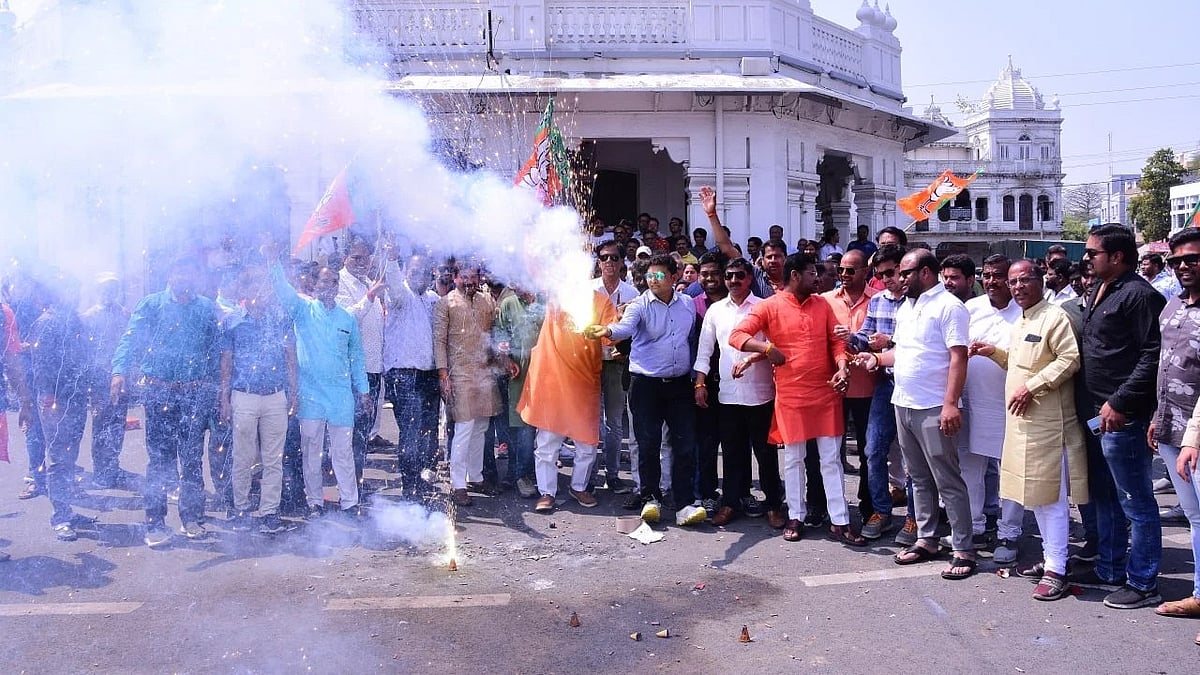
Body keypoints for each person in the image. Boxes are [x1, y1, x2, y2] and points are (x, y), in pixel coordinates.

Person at [971, 259, 1088, 600]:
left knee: (1050, 499)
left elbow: (1070, 359)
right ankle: (1054, 558)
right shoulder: (1023, 320)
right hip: (1023, 425)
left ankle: (1056, 569)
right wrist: (993, 352)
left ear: (1040, 280)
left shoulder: (1055, 316)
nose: (1018, 287)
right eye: (1013, 282)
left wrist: (1032, 387)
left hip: (1050, 426)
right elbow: (1018, 363)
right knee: (1032, 497)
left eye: (1024, 280)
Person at [728, 253, 864, 546]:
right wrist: (765, 350)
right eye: (812, 273)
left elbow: (836, 343)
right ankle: (796, 516)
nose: (817, 278)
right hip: (791, 396)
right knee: (794, 460)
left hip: (826, 392)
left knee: (831, 460)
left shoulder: (823, 304)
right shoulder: (769, 306)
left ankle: (840, 521)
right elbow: (737, 336)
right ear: (794, 276)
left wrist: (842, 366)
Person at [864, 250, 975, 579]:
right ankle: (927, 539)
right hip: (904, 402)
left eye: (906, 273)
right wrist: (876, 360)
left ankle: (964, 548)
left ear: (927, 273)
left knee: (947, 479)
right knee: (919, 477)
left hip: (933, 406)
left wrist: (951, 403)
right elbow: (903, 351)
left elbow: (959, 357)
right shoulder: (908, 307)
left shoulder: (949, 307)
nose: (899, 279)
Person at [1076, 224, 1166, 609]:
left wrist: (1121, 402)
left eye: (1092, 253)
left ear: (1116, 256)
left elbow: (1152, 356)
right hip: (1096, 413)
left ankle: (1144, 582)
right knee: (1104, 497)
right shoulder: (1100, 289)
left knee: (1136, 502)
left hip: (1123, 417)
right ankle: (1110, 568)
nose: (1086, 259)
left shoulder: (1140, 296)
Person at [584, 254, 701, 526]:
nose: (653, 281)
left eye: (659, 276)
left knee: (684, 444)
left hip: (679, 384)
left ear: (674, 277)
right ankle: (650, 498)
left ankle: (684, 504)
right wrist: (607, 330)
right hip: (645, 385)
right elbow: (624, 327)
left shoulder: (686, 305)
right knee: (647, 443)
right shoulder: (639, 305)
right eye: (649, 276)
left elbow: (689, 340)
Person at [112, 258, 220, 547]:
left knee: (192, 459)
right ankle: (155, 524)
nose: (184, 276)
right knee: (160, 460)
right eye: (178, 270)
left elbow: (216, 350)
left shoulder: (206, 308)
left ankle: (192, 519)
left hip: (195, 393)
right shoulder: (151, 304)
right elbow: (130, 338)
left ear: (195, 274)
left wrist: (218, 390)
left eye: (189, 270)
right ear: (170, 274)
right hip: (159, 392)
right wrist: (119, 371)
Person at [269, 253, 370, 520]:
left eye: (334, 282)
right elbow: (282, 289)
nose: (330, 286)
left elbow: (357, 357)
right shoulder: (302, 310)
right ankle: (315, 501)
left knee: (343, 452)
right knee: (312, 452)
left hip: (340, 397)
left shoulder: (346, 318)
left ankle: (350, 502)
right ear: (315, 285)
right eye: (324, 281)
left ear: (338, 287)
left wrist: (364, 390)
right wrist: (273, 261)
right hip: (310, 395)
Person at [694, 257, 783, 528]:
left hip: (760, 393)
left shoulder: (763, 307)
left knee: (765, 454)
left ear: (749, 279)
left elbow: (774, 346)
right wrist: (700, 384)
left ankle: (774, 505)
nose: (734, 281)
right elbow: (705, 351)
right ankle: (731, 502)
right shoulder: (716, 310)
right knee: (732, 452)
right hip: (728, 394)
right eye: (730, 276)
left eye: (739, 276)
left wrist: (750, 359)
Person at [519, 289, 617, 513]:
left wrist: (616, 328)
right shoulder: (555, 298)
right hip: (553, 382)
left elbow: (611, 335)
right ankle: (547, 492)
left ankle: (579, 487)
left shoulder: (600, 301)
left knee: (587, 443)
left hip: (584, 382)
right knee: (547, 442)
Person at [219, 266, 295, 534]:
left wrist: (293, 392)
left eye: (264, 286)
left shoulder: (280, 318)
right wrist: (224, 398)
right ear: (244, 291)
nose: (260, 292)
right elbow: (226, 361)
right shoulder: (233, 321)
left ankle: (269, 512)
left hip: (275, 395)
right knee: (243, 457)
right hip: (244, 396)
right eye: (254, 286)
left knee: (273, 459)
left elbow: (290, 357)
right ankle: (241, 509)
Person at [1148, 227, 1200, 620]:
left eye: (1192, 259)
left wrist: (1193, 440)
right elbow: (1165, 369)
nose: (1183, 266)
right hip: (1171, 429)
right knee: (1196, 518)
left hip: (1196, 438)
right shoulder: (1173, 306)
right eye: (1176, 261)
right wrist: (1157, 418)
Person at [957, 255, 1023, 560]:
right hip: (971, 402)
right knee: (969, 469)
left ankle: (1009, 533)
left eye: (999, 276)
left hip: (1009, 405)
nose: (993, 281)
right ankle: (975, 526)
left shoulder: (1024, 313)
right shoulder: (971, 309)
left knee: (1009, 471)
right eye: (988, 275)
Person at [29, 272, 96, 542]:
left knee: (69, 456)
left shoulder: (76, 320)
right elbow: (40, 364)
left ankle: (67, 508)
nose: (76, 295)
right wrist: (47, 399)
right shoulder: (46, 323)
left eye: (77, 290)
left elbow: (86, 359)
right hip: (54, 400)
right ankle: (61, 517)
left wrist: (91, 392)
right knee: (58, 458)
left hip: (75, 397)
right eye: (71, 290)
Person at [849, 244, 907, 540]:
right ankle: (882, 511)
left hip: (913, 383)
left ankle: (915, 518)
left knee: (914, 457)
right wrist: (850, 341)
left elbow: (920, 343)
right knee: (872, 450)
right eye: (881, 275)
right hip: (884, 382)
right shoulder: (878, 301)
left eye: (891, 273)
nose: (886, 280)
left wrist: (889, 340)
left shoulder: (918, 302)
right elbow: (865, 336)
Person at [435, 265, 501, 507]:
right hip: (459, 373)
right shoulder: (446, 303)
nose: (469, 281)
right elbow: (439, 341)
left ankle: (476, 476)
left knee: (482, 427)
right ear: (455, 278)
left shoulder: (486, 301)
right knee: (464, 429)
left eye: (473, 277)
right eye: (464, 277)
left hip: (484, 372)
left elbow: (495, 331)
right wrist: (444, 375)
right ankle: (457, 484)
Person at [823, 249, 877, 521]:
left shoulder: (877, 301)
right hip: (834, 387)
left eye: (850, 270)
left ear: (865, 272)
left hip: (869, 388)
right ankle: (832, 507)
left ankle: (869, 505)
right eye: (841, 270)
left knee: (870, 451)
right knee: (830, 452)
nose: (844, 275)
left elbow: (884, 338)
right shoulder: (825, 301)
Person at [382, 254, 442, 495]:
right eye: (415, 271)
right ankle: (410, 487)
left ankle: (423, 478)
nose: (420, 276)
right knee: (410, 431)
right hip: (403, 376)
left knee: (428, 429)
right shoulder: (399, 295)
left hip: (429, 375)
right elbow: (394, 285)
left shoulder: (433, 299)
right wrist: (392, 258)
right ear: (406, 271)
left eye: (425, 272)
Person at [336, 236, 387, 491]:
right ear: (345, 257)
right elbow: (347, 319)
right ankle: (349, 486)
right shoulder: (340, 282)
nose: (362, 263)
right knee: (352, 431)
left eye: (365, 258)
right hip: (355, 370)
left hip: (374, 369)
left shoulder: (369, 282)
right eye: (356, 257)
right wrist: (369, 297)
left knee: (364, 429)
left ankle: (357, 479)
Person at [592, 241, 639, 494]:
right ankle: (588, 476)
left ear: (622, 262)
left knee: (614, 423)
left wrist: (626, 351)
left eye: (614, 258)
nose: (609, 262)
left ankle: (612, 474)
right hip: (588, 363)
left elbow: (637, 331)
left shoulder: (632, 294)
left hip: (617, 364)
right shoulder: (588, 290)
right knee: (590, 421)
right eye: (604, 257)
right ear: (598, 262)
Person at [81, 274, 131, 488]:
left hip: (120, 379)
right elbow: (84, 352)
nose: (109, 291)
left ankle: (113, 465)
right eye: (105, 288)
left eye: (113, 287)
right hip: (99, 381)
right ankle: (101, 470)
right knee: (100, 425)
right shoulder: (88, 317)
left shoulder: (124, 314)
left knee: (117, 425)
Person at [495, 287, 544, 499]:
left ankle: (529, 473)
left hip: (545, 374)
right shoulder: (508, 303)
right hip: (519, 375)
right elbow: (500, 333)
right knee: (521, 427)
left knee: (541, 429)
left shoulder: (545, 300)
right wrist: (506, 359)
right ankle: (520, 475)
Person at [691, 252, 729, 514]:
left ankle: (738, 493)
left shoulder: (735, 302)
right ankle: (706, 491)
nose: (709, 278)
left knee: (735, 441)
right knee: (705, 442)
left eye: (715, 273)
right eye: (704, 273)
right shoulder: (691, 305)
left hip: (733, 382)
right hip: (702, 383)